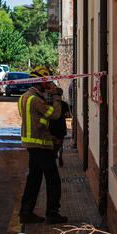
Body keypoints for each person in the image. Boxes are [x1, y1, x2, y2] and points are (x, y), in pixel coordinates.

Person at [18, 66, 68, 225]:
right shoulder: (36, 100)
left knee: (34, 177)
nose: (49, 85)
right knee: (53, 179)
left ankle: (26, 212)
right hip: (40, 145)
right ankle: (52, 213)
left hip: (32, 143)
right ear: (41, 82)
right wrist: (56, 96)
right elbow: (55, 114)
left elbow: (36, 121)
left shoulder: (25, 97)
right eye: (47, 82)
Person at [49, 88, 71, 167]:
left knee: (52, 143)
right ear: (61, 95)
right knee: (60, 143)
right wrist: (63, 116)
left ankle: (53, 156)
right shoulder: (64, 104)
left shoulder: (50, 103)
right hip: (61, 125)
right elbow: (69, 115)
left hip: (52, 125)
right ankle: (60, 154)